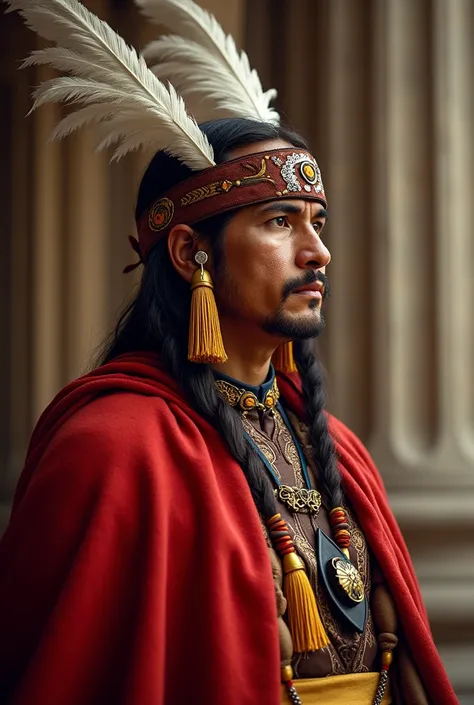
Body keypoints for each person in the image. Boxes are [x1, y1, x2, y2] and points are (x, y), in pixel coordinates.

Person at [0, 1, 458, 704]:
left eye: (318, 223)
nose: (319, 252)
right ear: (190, 253)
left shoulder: (336, 447)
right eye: (281, 222)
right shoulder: (112, 451)